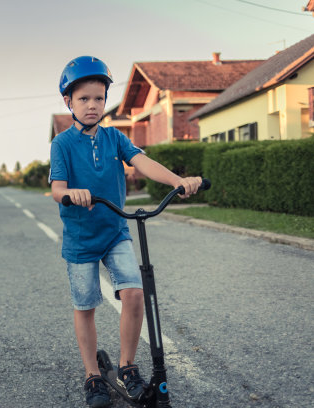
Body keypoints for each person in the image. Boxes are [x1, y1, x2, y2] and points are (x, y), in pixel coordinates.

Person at [49, 56, 201, 408]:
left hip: (115, 230)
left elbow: (141, 161)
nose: (92, 105)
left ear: (105, 101)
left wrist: (178, 181)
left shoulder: (115, 137)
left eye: (99, 98)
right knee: (85, 305)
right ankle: (92, 374)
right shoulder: (62, 144)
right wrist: (72, 193)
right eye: (84, 98)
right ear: (68, 102)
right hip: (81, 239)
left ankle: (126, 366)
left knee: (134, 293)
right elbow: (57, 188)